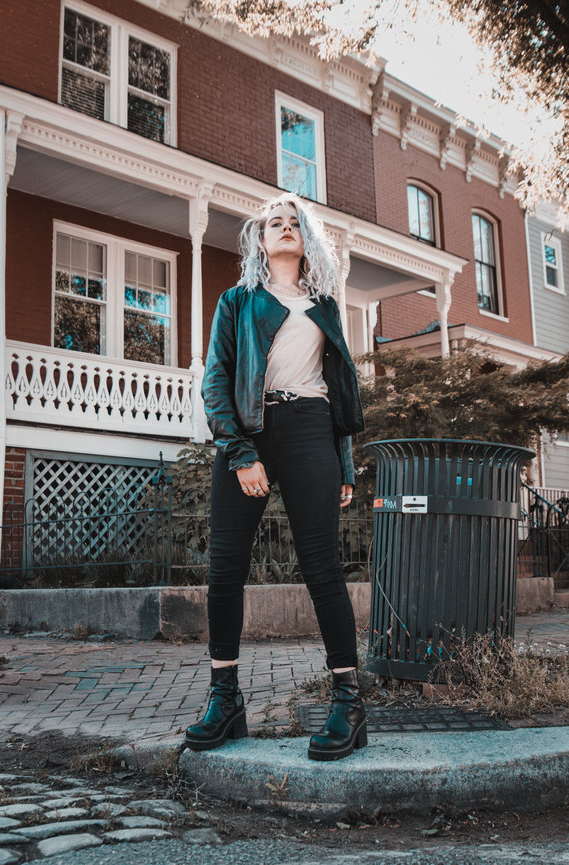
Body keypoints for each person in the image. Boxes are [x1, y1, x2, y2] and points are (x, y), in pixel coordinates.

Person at [182, 192, 366, 761]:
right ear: (261, 242)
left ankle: (348, 702)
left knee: (322, 567)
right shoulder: (237, 301)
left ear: (305, 238)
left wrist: (343, 463)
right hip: (251, 433)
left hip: (311, 429)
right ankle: (225, 698)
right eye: (274, 224)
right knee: (226, 568)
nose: (284, 228)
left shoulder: (325, 306)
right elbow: (216, 382)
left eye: (293, 223)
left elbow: (337, 395)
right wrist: (239, 453)